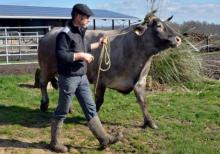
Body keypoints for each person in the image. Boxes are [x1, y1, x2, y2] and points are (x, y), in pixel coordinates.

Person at [50, 3, 123, 153]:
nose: (89, 20)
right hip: (68, 79)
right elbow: (61, 55)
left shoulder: (80, 31)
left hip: (82, 78)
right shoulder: (65, 33)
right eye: (87, 17)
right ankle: (55, 142)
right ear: (78, 16)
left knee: (90, 109)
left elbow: (84, 47)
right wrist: (81, 56)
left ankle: (104, 139)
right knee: (62, 110)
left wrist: (99, 43)